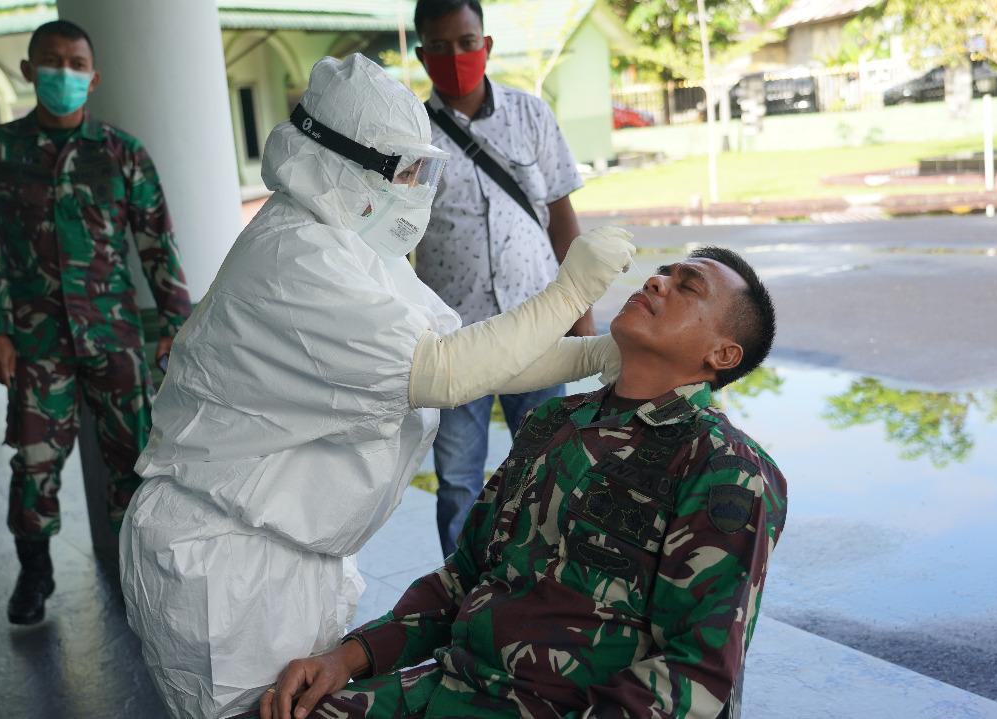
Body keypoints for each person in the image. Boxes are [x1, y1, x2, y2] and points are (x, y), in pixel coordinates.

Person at [119, 53, 635, 719]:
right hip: (224, 567)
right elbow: (444, 373)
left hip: (283, 555)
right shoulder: (295, 256)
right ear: (338, 159)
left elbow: (469, 353)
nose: (417, 188)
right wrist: (570, 291)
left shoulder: (352, 245)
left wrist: (595, 351)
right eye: (406, 170)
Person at [260, 246, 788, 719]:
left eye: (686, 286)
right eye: (660, 274)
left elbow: (694, 672)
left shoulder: (724, 469)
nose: (656, 283)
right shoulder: (554, 422)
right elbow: (465, 574)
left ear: (722, 355)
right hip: (444, 688)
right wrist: (347, 657)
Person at [0, 19, 191, 626]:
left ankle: (140, 574)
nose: (63, 72)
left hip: (113, 334)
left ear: (92, 78)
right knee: (34, 461)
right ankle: (34, 572)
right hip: (36, 341)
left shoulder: (122, 152)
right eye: (51, 61)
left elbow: (156, 243)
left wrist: (175, 321)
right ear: (28, 70)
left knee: (136, 460)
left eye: (74, 63)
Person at [413, 0, 592, 557]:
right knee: (460, 483)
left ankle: (545, 586)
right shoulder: (411, 137)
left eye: (466, 42)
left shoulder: (532, 115)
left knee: (549, 473)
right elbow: (394, 244)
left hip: (536, 323)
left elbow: (561, 216)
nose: (456, 56)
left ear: (485, 45)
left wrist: (581, 311)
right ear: (422, 55)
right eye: (439, 47)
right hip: (455, 338)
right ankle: (459, 599)